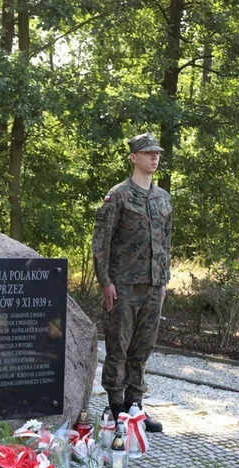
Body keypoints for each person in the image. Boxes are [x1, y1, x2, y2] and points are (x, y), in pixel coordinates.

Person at [92, 132, 172, 433]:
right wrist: (105, 281)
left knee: (143, 348)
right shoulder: (119, 196)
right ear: (133, 157)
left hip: (153, 285)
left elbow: (166, 242)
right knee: (119, 347)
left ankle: (135, 405)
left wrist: (163, 281)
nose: (154, 157)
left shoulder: (163, 198)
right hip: (123, 286)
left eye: (157, 153)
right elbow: (101, 242)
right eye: (148, 152)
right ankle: (115, 406)